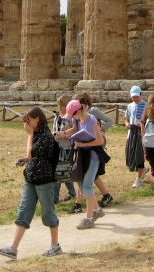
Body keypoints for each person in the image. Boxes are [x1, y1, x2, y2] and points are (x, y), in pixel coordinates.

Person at [0, 107, 62, 260]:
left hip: (44, 181)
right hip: (31, 179)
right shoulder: (37, 134)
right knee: (24, 211)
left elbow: (32, 153)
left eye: (28, 120)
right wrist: (25, 160)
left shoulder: (45, 136)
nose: (27, 124)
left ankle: (55, 246)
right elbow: (31, 156)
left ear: (37, 119)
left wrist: (30, 136)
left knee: (48, 213)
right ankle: (13, 249)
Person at [55, 99, 108, 229]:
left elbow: (100, 141)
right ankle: (97, 210)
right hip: (82, 155)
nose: (72, 118)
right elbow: (74, 129)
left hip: (94, 156)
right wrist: (64, 133)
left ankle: (89, 219)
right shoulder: (76, 119)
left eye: (73, 115)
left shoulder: (92, 120)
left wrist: (84, 144)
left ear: (78, 111)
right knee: (80, 182)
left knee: (88, 186)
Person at [73, 92, 114, 208]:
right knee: (91, 174)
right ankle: (103, 196)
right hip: (85, 145)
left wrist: (101, 130)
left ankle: (86, 204)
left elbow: (110, 120)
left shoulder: (93, 112)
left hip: (95, 145)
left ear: (84, 104)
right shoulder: (79, 116)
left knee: (90, 173)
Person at [53, 95, 77, 204]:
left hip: (67, 149)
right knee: (64, 172)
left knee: (59, 173)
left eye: (62, 105)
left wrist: (65, 135)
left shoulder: (72, 119)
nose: (60, 108)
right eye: (59, 105)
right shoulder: (57, 118)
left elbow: (75, 132)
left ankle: (54, 198)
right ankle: (72, 192)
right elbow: (54, 131)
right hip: (58, 148)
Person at [124, 86, 148, 188]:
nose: (135, 98)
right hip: (131, 134)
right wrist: (127, 124)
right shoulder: (129, 106)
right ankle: (143, 170)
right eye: (133, 97)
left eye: (136, 96)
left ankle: (139, 179)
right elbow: (126, 119)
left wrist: (142, 124)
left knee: (139, 156)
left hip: (141, 134)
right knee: (132, 155)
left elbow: (149, 120)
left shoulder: (146, 106)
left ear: (140, 95)